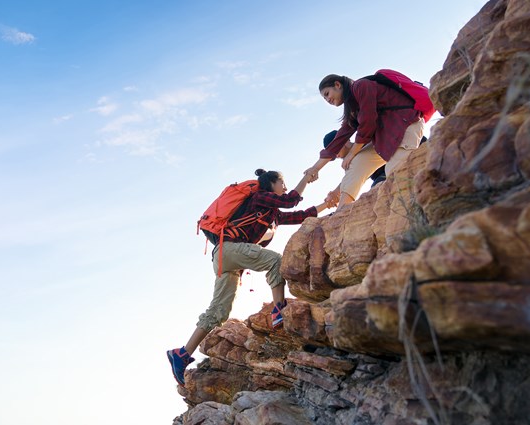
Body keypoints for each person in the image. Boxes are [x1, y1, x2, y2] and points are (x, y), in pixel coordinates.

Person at [167, 169, 334, 387]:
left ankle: (181, 354)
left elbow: (300, 215)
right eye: (282, 183)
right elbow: (290, 200)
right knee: (275, 261)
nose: (284, 187)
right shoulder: (259, 197)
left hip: (225, 257)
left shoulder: (271, 213)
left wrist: (327, 206)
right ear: (271, 183)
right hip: (229, 249)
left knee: (219, 311)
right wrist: (306, 179)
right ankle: (278, 308)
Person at [305, 74, 426, 209]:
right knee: (356, 163)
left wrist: (351, 153)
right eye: (324, 98)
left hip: (405, 125)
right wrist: (315, 169)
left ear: (338, 85)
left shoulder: (361, 86)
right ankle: (342, 211)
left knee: (396, 175)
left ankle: (411, 215)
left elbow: (368, 123)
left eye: (327, 94)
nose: (327, 99)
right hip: (384, 137)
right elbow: (339, 138)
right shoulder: (351, 108)